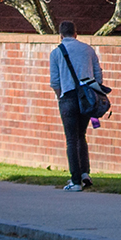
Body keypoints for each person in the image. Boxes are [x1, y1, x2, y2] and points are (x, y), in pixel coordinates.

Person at [49, 20, 103, 191]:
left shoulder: (56, 53)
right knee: (81, 135)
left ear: (61, 35)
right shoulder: (88, 49)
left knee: (71, 139)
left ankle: (75, 180)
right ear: (76, 33)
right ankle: (85, 173)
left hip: (68, 96)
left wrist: (60, 97)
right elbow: (98, 75)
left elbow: (55, 81)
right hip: (87, 97)